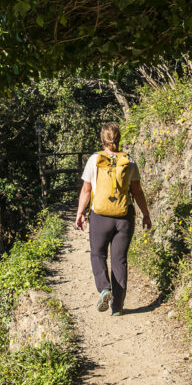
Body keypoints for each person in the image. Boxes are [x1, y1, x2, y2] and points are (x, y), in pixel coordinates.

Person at [75, 122, 152, 315]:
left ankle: (104, 288)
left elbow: (86, 190)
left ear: (102, 140)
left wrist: (80, 213)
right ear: (119, 138)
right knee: (119, 260)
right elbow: (138, 192)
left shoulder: (94, 160)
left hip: (100, 216)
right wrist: (146, 214)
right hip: (124, 217)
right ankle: (117, 307)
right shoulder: (129, 161)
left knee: (98, 254)